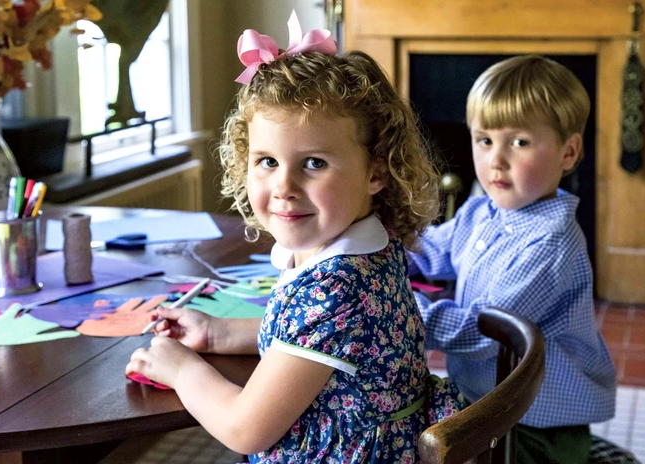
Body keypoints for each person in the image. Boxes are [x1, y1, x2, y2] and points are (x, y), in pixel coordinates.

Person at [125, 13, 463, 464]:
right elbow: (310, 343)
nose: (284, 186)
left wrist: (182, 370)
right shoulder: (365, 245)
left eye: (314, 163)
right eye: (267, 161)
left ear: (376, 172)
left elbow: (244, 429)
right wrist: (217, 332)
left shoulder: (336, 289)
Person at [408, 55, 617, 464]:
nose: (496, 160)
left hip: (535, 426)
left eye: (519, 142)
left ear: (568, 152)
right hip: (483, 400)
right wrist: (380, 253)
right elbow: (430, 251)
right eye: (484, 140)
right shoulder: (481, 211)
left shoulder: (550, 244)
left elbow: (484, 333)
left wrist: (405, 313)